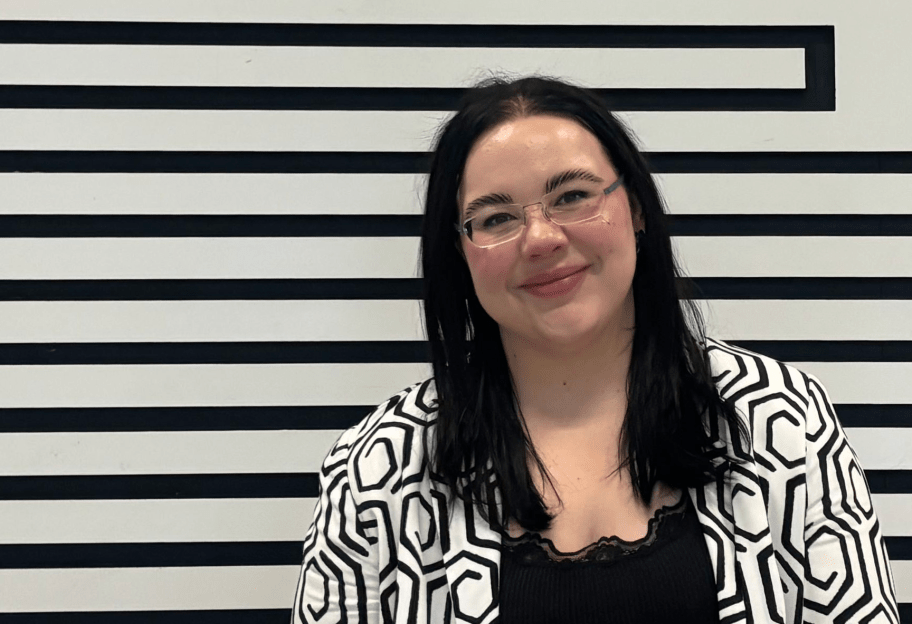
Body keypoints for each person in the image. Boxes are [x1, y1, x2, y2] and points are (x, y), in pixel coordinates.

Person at [290, 76, 898, 623]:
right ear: (461, 252)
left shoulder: (778, 419)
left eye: (572, 196)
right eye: (496, 217)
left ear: (634, 206)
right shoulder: (378, 469)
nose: (540, 238)